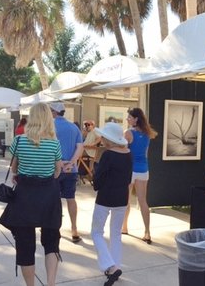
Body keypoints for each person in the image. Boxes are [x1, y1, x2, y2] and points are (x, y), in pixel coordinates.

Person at [0, 102, 63, 286]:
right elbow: (57, 171)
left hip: (24, 196)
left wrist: (21, 174)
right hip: (48, 196)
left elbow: (14, 167)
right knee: (51, 241)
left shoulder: (19, 140)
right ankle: (51, 282)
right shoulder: (54, 144)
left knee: (25, 244)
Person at [91, 122, 132, 286]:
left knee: (96, 232)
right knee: (115, 233)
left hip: (105, 197)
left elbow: (98, 178)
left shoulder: (107, 155)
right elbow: (128, 178)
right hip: (122, 197)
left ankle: (110, 266)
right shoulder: (128, 153)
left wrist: (96, 179)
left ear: (109, 139)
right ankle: (115, 266)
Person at [121, 108, 158, 244]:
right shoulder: (147, 134)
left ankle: (124, 227)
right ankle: (147, 232)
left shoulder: (128, 133)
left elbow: (123, 150)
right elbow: (146, 154)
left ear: (136, 119)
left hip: (130, 169)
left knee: (126, 200)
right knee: (143, 201)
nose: (127, 119)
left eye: (129, 117)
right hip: (143, 169)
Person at [50, 102, 84, 243]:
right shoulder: (74, 127)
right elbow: (80, 147)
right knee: (71, 198)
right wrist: (71, 162)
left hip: (54, 168)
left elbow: (48, 147)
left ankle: (54, 228)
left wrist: (60, 163)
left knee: (53, 199)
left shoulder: (49, 126)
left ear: (53, 112)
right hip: (71, 169)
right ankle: (74, 229)